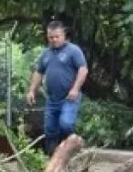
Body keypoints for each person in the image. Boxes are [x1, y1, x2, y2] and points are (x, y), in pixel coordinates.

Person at [26, 20, 88, 155]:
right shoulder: (46, 53)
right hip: (52, 99)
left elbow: (83, 70)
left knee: (65, 124)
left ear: (63, 35)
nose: (54, 40)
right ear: (47, 36)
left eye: (57, 36)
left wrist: (75, 89)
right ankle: (52, 160)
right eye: (50, 37)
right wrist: (32, 90)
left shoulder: (73, 50)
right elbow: (39, 72)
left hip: (69, 98)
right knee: (49, 130)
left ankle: (72, 151)